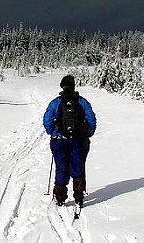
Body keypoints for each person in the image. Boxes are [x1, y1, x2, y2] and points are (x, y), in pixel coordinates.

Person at [43, 74, 97, 206]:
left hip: (58, 140)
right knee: (78, 166)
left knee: (61, 167)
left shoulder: (55, 103)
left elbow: (47, 120)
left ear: (62, 86)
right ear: (73, 86)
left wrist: (52, 132)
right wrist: (88, 133)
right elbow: (91, 119)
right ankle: (78, 196)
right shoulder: (82, 102)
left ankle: (60, 197)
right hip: (78, 140)